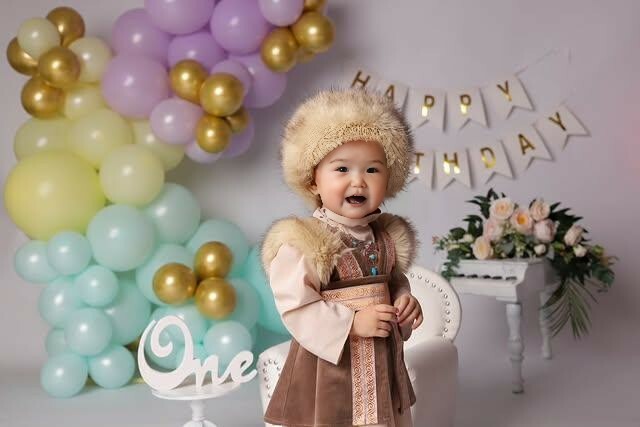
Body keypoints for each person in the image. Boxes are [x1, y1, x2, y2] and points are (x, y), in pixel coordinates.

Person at [261, 88, 423, 427]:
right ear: (313, 181)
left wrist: (404, 301)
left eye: (373, 170)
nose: (358, 181)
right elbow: (298, 306)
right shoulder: (305, 243)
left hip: (381, 361)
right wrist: (352, 323)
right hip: (330, 369)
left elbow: (393, 282)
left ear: (388, 179)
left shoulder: (385, 237)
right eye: (342, 169)